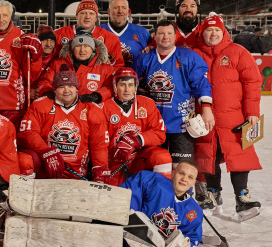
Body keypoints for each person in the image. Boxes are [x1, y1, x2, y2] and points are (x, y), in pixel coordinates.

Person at [189, 14, 262, 219]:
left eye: (217, 31)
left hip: (234, 117)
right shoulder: (194, 54)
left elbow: (252, 83)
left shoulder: (238, 52)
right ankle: (212, 193)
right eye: (208, 30)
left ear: (224, 32)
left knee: (239, 154)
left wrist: (252, 112)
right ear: (202, 33)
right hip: (205, 116)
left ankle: (242, 197)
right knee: (207, 154)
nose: (213, 34)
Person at [132, 20, 213, 168]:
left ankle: (183, 193)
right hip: (152, 125)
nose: (165, 37)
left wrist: (207, 108)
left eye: (169, 33)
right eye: (161, 33)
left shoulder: (188, 57)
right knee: (156, 168)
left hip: (181, 124)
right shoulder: (144, 58)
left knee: (182, 169)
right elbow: (131, 87)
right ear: (154, 36)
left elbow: (201, 84)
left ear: (175, 36)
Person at [19, 66, 110, 182]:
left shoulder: (91, 109)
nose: (66, 90)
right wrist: (46, 151)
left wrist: (100, 168)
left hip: (76, 174)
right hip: (46, 168)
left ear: (77, 88)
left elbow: (99, 143)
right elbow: (27, 132)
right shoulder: (41, 105)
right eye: (61, 87)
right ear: (54, 89)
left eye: (71, 86)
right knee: (23, 160)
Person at [100, 67, 171, 186]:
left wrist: (137, 140)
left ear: (135, 87)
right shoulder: (104, 107)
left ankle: (162, 193)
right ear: (115, 86)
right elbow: (98, 142)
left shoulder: (147, 104)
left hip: (140, 158)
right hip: (115, 161)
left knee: (162, 157)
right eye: (122, 84)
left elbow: (159, 133)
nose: (127, 89)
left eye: (131, 85)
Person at [120, 161, 204, 247]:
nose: (184, 179)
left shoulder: (194, 211)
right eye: (181, 173)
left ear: (193, 182)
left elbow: (192, 239)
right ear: (173, 173)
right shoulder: (154, 182)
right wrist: (131, 220)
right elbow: (127, 194)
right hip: (125, 243)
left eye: (190, 177)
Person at [38, 33, 115, 104]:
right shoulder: (58, 64)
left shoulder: (105, 67)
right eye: (78, 46)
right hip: (61, 109)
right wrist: (48, 92)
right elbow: (45, 81)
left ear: (92, 49)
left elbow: (111, 86)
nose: (82, 50)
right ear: (72, 49)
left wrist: (97, 96)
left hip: (91, 111)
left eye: (86, 46)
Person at [53, 0, 124, 67]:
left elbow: (118, 65)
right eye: (83, 13)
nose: (87, 16)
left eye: (91, 13)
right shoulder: (59, 34)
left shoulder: (111, 38)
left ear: (96, 18)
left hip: (96, 77)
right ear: (76, 16)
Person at [98, 0, 152, 65]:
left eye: (123, 8)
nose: (120, 11)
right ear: (109, 11)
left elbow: (152, 58)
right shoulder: (98, 31)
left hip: (134, 75)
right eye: (116, 8)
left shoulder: (142, 32)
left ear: (128, 11)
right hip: (106, 75)